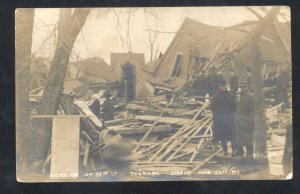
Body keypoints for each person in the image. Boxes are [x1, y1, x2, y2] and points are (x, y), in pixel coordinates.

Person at [211, 78, 236, 156]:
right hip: (220, 119)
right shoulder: (215, 97)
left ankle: (234, 150)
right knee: (222, 136)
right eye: (221, 86)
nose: (222, 87)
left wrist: (233, 116)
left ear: (226, 86)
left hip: (229, 118)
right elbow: (213, 108)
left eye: (224, 86)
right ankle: (225, 150)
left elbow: (234, 107)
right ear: (219, 87)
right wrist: (216, 118)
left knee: (232, 135)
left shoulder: (231, 95)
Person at [232, 79, 255, 159]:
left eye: (243, 86)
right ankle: (240, 153)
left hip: (247, 121)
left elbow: (252, 111)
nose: (242, 88)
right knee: (239, 139)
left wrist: (251, 123)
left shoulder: (251, 96)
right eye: (240, 86)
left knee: (248, 140)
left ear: (247, 86)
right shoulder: (239, 95)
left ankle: (249, 155)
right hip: (239, 121)